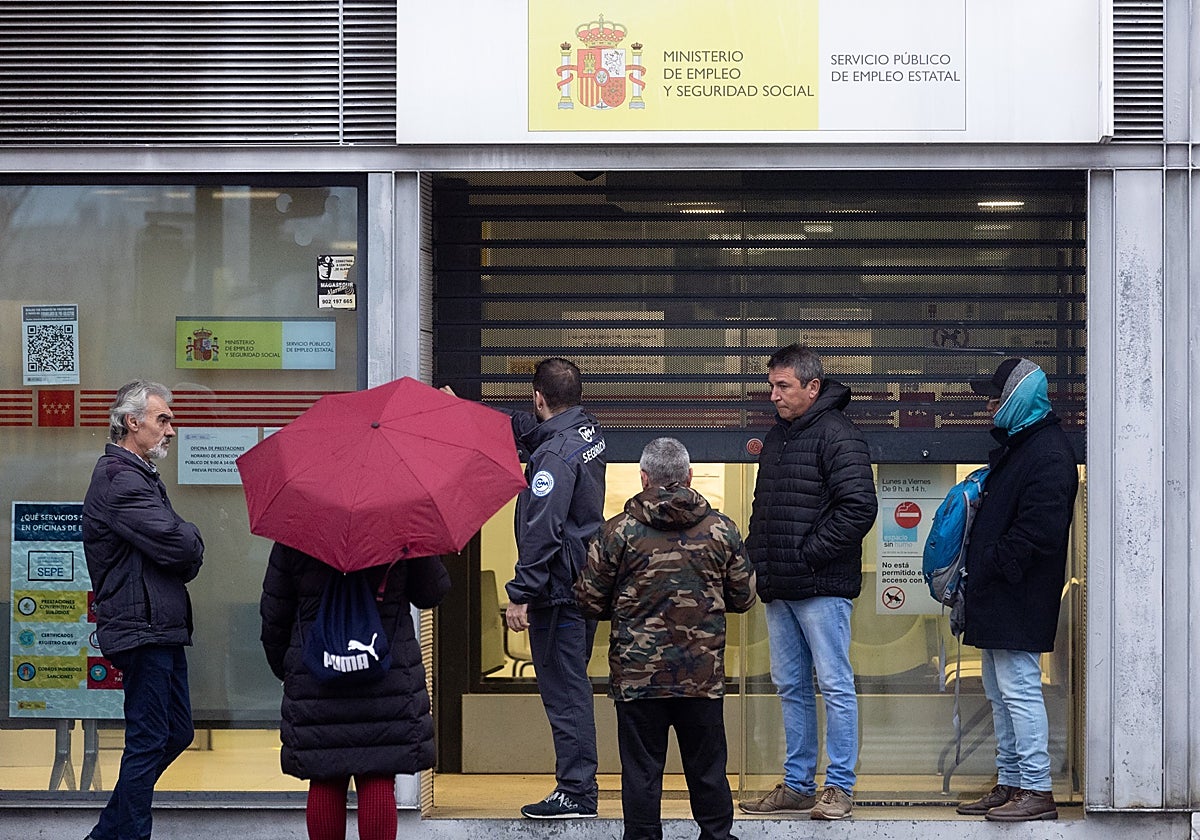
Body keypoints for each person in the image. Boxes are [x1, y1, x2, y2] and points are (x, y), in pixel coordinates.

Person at [449, 357, 607, 818]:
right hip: (581, 581)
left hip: (558, 591)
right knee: (569, 687)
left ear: (539, 397)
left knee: (565, 693)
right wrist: (466, 415)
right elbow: (521, 427)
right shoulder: (586, 431)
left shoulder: (553, 456)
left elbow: (543, 528)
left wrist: (522, 592)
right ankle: (576, 787)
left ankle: (576, 792)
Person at [576, 437, 756, 840]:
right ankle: (716, 836)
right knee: (708, 770)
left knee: (641, 773)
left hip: (638, 680)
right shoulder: (721, 529)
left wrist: (627, 605)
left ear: (643, 478)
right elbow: (744, 598)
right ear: (689, 476)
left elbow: (587, 599)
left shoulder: (617, 533)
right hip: (701, 678)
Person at [738, 344, 878, 821]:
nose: (773, 395)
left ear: (812, 387)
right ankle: (798, 784)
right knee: (790, 686)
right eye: (771, 386)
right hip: (781, 586)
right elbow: (765, 510)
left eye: (784, 386)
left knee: (834, 685)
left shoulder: (838, 434)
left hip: (820, 586)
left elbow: (859, 506)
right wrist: (759, 562)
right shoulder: (779, 436)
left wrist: (807, 555)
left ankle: (838, 787)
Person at [955, 358, 1078, 822]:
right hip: (999, 596)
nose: (988, 405)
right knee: (998, 690)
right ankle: (1010, 782)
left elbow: (1040, 531)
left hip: (1018, 597)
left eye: (995, 396)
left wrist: (991, 563)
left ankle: (1036, 789)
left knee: (1018, 690)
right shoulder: (1022, 446)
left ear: (1019, 397)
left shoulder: (1046, 452)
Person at [82, 380, 205, 840]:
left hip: (159, 626)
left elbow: (175, 548)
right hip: (142, 628)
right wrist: (191, 536)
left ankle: (108, 830)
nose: (171, 429)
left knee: (175, 732)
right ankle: (126, 835)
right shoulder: (120, 479)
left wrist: (184, 539)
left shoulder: (138, 474)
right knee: (150, 738)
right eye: (162, 419)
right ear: (132, 423)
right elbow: (179, 544)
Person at [260, 545, 450, 840]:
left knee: (325, 776)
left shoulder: (299, 527)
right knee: (377, 774)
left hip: (317, 675)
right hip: (385, 677)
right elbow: (431, 592)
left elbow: (275, 613)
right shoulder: (399, 524)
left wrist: (288, 669)